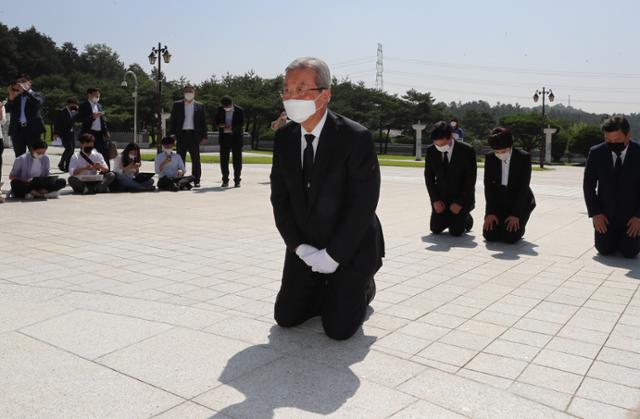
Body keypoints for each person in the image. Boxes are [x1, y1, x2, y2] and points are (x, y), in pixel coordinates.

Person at [270, 57, 384, 340]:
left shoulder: (355, 137)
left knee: (338, 330)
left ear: (325, 94)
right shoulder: (284, 137)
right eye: (286, 90)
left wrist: (335, 254)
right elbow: (280, 199)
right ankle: (325, 288)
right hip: (306, 244)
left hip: (349, 243)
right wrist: (298, 247)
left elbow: (363, 205)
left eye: (301, 89)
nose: (291, 96)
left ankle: (363, 285)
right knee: (286, 317)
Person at [583, 115, 640, 258]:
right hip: (606, 216)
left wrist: (638, 217)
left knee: (630, 252)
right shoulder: (596, 153)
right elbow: (588, 185)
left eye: (617, 140)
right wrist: (596, 214)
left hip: (631, 217)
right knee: (604, 249)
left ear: (628, 135)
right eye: (608, 140)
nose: (613, 143)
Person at [483, 128, 536, 244]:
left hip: (519, 200)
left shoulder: (523, 157)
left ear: (510, 146)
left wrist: (516, 214)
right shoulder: (490, 157)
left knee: (510, 238)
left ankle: (519, 224)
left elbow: (523, 187)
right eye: (497, 152)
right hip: (500, 200)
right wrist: (489, 213)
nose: (500, 154)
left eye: (503, 151)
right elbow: (488, 186)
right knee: (490, 235)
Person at [424, 121, 477, 236]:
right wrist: (435, 200)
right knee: (435, 229)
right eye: (436, 145)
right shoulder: (431, 150)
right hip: (442, 197)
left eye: (442, 145)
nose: (439, 147)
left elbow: (470, 180)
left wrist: (460, 203)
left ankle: (466, 216)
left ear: (450, 137)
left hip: (461, 197)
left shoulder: (467, 151)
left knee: (456, 232)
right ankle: (452, 217)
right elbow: (429, 177)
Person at [169, 85, 208, 188]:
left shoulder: (200, 106)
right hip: (181, 135)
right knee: (180, 159)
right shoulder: (177, 105)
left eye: (190, 92)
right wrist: (172, 134)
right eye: (186, 92)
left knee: (196, 159)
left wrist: (204, 136)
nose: (188, 94)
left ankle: (196, 180)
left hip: (194, 136)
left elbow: (203, 122)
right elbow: (173, 120)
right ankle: (180, 179)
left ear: (194, 93)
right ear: (183, 93)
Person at [5, 75, 46, 157]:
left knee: (35, 155)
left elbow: (38, 103)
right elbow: (8, 109)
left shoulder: (37, 94)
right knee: (19, 156)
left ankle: (34, 170)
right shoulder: (16, 96)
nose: (21, 86)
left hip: (33, 130)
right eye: (19, 84)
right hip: (18, 130)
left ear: (30, 83)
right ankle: (20, 170)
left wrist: (26, 91)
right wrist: (10, 98)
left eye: (23, 83)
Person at [215, 96, 245, 187]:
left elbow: (241, 123)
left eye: (227, 106)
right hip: (224, 137)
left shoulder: (239, 110)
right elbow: (216, 121)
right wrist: (222, 125)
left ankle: (237, 180)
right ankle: (225, 180)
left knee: (237, 160)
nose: (226, 108)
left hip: (236, 137)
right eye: (224, 106)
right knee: (224, 160)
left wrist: (232, 127)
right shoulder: (220, 110)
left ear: (232, 104)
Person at [78, 88, 111, 168]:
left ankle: (106, 171)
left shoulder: (99, 105)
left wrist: (106, 131)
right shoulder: (83, 105)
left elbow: (102, 120)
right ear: (89, 95)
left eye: (98, 95)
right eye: (95, 95)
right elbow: (80, 119)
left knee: (103, 152)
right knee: (87, 152)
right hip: (89, 133)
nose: (97, 97)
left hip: (99, 133)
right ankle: (86, 169)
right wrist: (92, 117)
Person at [53, 97, 80, 172]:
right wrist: (56, 133)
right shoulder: (62, 111)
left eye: (75, 104)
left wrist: (78, 111)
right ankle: (61, 163)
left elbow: (77, 119)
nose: (74, 106)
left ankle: (68, 166)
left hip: (71, 133)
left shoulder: (74, 111)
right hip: (63, 133)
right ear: (69, 104)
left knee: (72, 150)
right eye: (73, 104)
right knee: (69, 149)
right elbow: (57, 123)